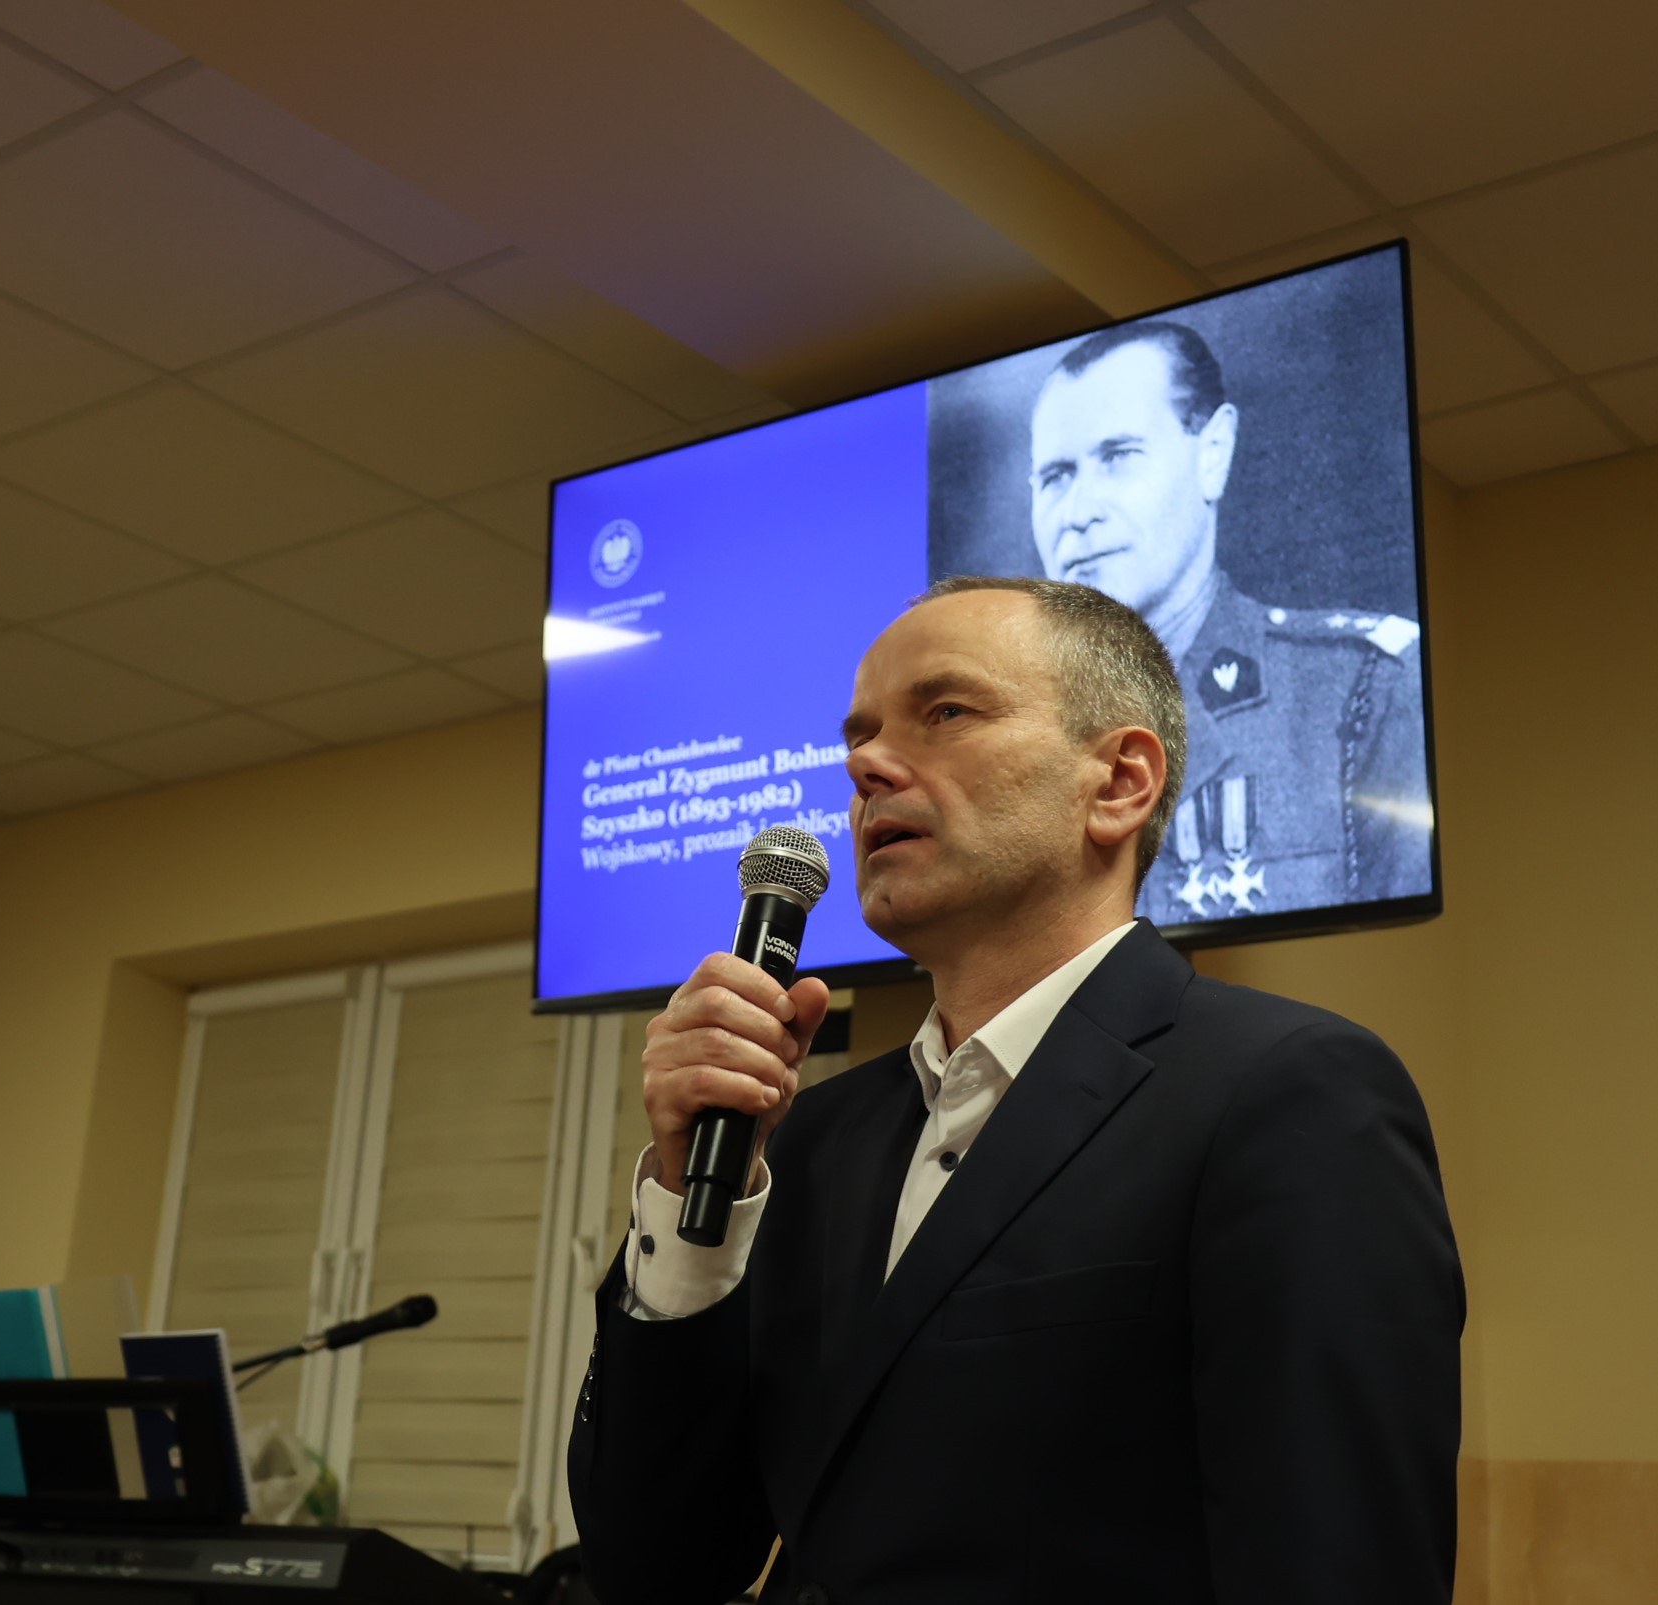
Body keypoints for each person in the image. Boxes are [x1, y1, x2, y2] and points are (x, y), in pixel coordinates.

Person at [567, 576, 1462, 1603]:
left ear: (1118, 782)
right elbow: (658, 1566)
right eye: (858, 736)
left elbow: (1337, 1565)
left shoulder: (1290, 1095)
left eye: (946, 711)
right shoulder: (814, 1138)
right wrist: (690, 1208)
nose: (864, 765)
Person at [1025, 321, 1431, 925]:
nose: (1079, 512)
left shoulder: (1362, 687)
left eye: (1119, 457)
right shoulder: (1010, 732)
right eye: (1056, 476)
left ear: (1213, 453)